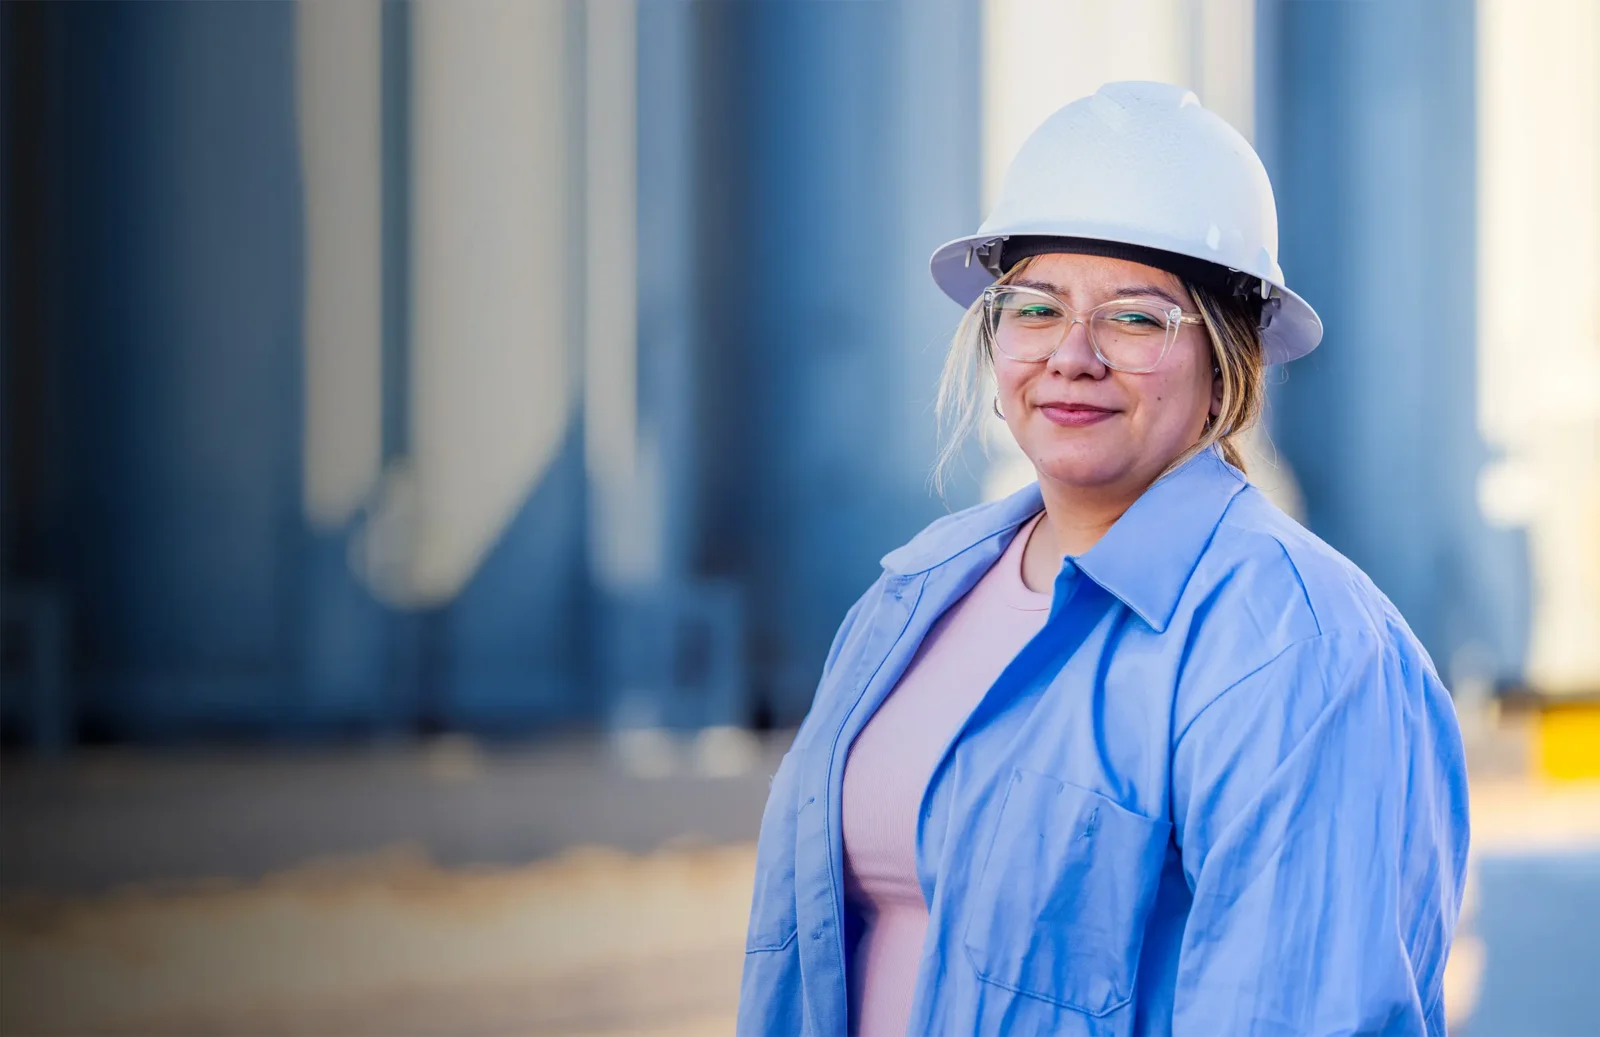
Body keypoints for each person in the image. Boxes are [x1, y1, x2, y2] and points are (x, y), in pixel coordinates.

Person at [737, 81, 1470, 1037]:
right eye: (1036, 308)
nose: (1072, 355)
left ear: (1228, 358)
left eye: (1135, 318)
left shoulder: (1302, 652)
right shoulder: (911, 597)